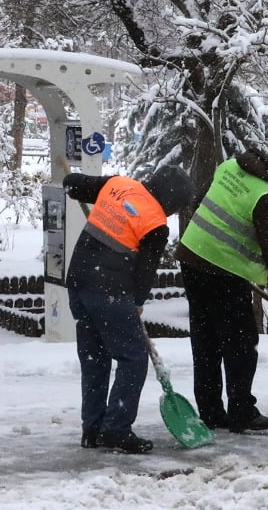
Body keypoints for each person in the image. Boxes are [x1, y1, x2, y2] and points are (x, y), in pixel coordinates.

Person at [64, 164, 195, 454]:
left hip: (78, 280)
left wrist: (76, 188)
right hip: (108, 290)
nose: (172, 214)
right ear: (171, 201)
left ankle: (93, 429)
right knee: (133, 358)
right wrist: (136, 303)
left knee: (94, 357)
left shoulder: (119, 184)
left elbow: (73, 183)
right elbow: (144, 273)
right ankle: (116, 430)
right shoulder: (155, 223)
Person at [176, 143, 268, 433]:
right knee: (241, 345)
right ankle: (242, 412)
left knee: (206, 341)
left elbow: (203, 203)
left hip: (193, 257)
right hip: (223, 272)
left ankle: (210, 411)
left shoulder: (231, 166)